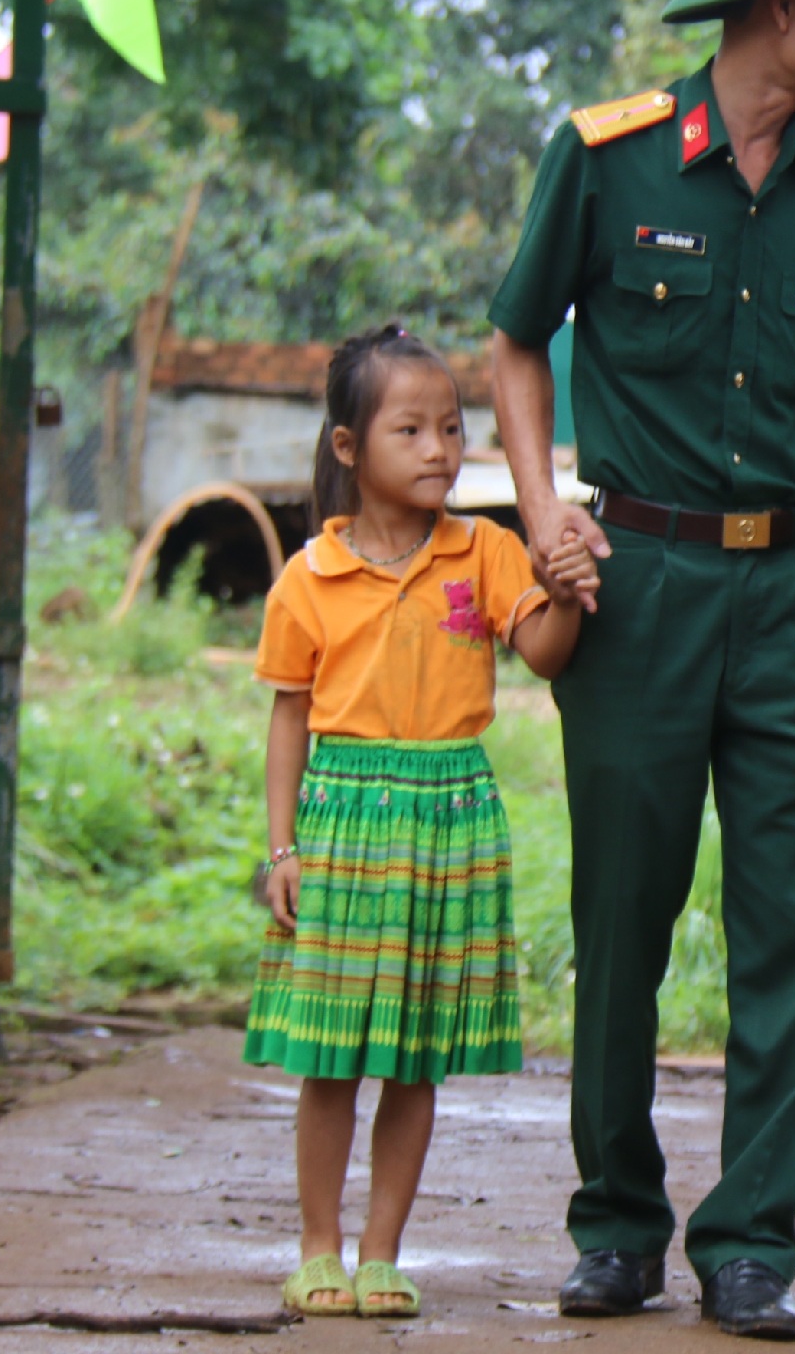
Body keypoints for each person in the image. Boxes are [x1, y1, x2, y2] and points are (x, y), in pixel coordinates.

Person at [487, 0, 795, 1340]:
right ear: (781, 8)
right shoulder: (606, 160)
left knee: (792, 925)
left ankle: (753, 1245)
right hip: (641, 586)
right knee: (624, 916)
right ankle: (615, 1224)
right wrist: (544, 508)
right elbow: (513, 346)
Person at [245, 326, 592, 1320]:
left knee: (412, 1052)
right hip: (343, 823)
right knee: (331, 1055)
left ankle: (384, 1250)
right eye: (411, 429)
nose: (441, 448)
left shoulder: (485, 550)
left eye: (452, 426)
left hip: (450, 822)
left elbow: (546, 652)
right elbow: (288, 722)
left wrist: (565, 590)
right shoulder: (307, 577)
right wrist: (283, 850)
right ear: (349, 446)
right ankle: (318, 1247)